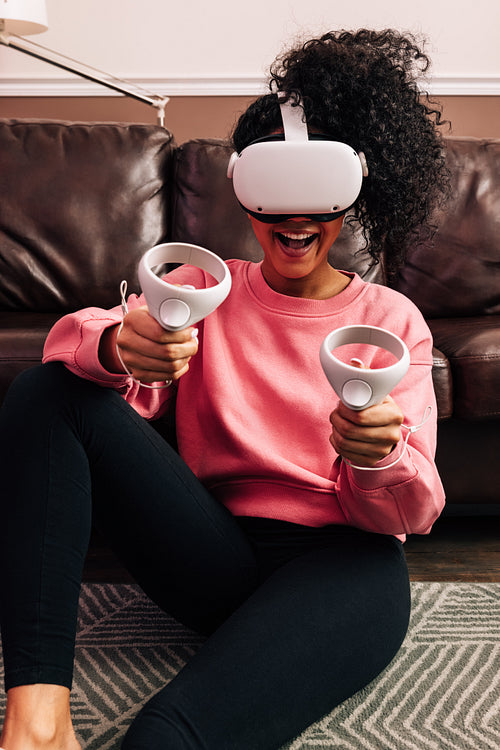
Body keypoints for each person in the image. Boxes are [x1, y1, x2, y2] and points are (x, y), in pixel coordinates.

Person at [0, 29, 449, 750]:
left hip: (342, 567)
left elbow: (415, 510)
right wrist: (120, 346)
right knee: (48, 391)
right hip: (212, 553)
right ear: (244, 189)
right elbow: (69, 349)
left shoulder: (391, 320)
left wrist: (378, 456)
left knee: (166, 739)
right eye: (274, 188)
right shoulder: (203, 292)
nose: (294, 216)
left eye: (317, 191)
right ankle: (37, 721)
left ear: (356, 188)